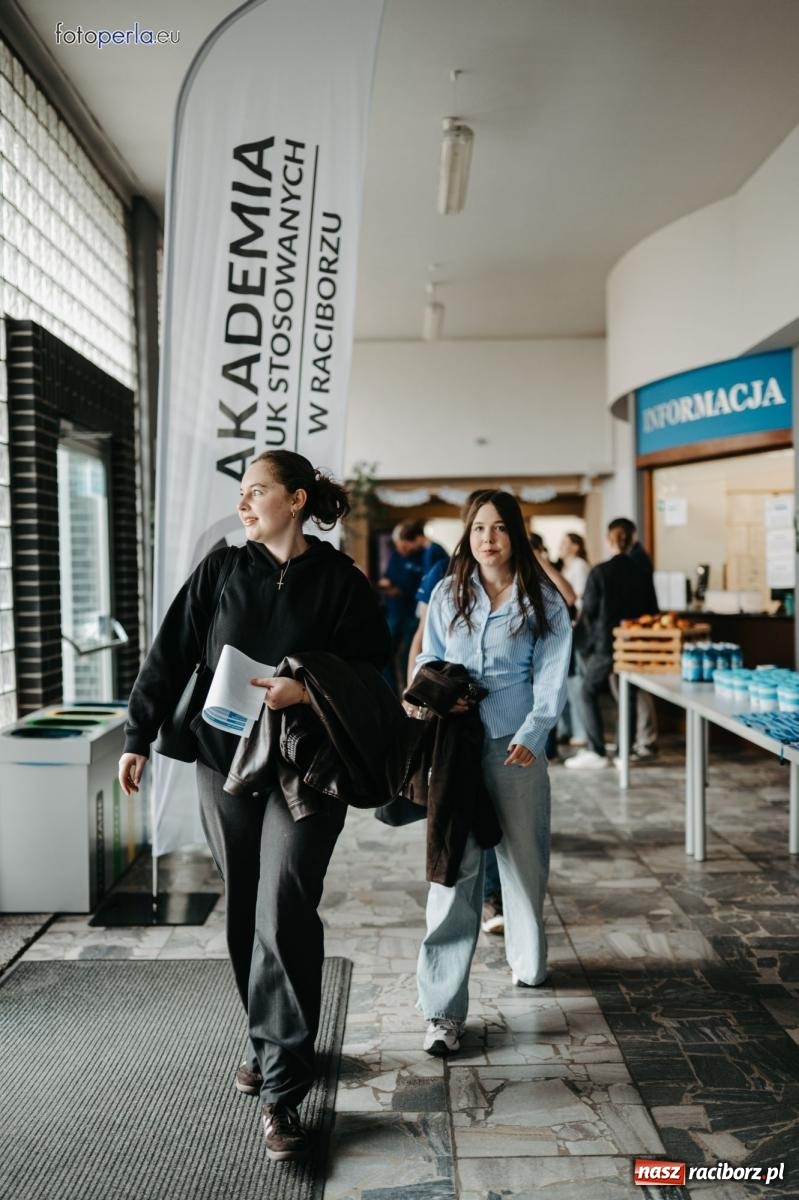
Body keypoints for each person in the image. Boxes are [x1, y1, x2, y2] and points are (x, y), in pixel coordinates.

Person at [117, 450, 390, 1163]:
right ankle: (272, 1043)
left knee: (286, 907)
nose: (244, 503)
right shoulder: (220, 568)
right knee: (246, 907)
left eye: (257, 491)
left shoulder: (340, 581)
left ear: (296, 499)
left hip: (308, 766)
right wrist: (137, 734)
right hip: (224, 759)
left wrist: (307, 689)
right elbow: (170, 652)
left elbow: (374, 674)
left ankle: (282, 1091)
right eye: (240, 493)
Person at [411, 490, 572, 1055]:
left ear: (516, 534)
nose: (488, 538)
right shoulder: (447, 590)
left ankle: (528, 964)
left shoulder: (542, 599)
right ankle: (442, 1011)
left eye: (500, 528)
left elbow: (553, 676)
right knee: (453, 870)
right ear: (467, 533)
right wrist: (433, 693)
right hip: (456, 748)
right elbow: (425, 658)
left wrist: (533, 733)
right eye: (479, 528)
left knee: (525, 862)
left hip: (514, 745)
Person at [564, 519, 658, 770]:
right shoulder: (642, 573)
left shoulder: (600, 572)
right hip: (632, 643)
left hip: (605, 643)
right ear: (632, 539)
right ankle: (622, 753)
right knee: (627, 696)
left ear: (609, 541)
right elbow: (652, 611)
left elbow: (591, 609)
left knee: (587, 692)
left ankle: (596, 750)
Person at [606, 517, 659, 757]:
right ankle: (639, 738)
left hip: (627, 637)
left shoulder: (628, 565)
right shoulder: (640, 562)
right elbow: (652, 606)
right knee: (630, 688)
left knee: (633, 689)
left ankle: (645, 738)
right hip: (636, 634)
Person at [379, 520, 447, 691]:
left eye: (404, 545)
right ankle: (395, 691)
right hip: (400, 611)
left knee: (411, 654)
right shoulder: (424, 553)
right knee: (387, 653)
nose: (402, 549)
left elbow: (432, 587)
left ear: (414, 539)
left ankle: (410, 690)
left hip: (418, 612)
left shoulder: (433, 553)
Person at [557, 532, 591, 748]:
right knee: (564, 681)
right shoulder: (564, 567)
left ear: (576, 547)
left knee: (577, 679)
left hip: (577, 628)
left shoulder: (580, 566)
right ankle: (567, 729)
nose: (561, 546)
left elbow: (580, 598)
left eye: (565, 543)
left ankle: (582, 731)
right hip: (565, 628)